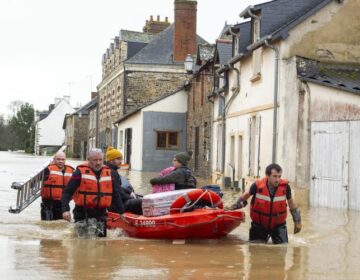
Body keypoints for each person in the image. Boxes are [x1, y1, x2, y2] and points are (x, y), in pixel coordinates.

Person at [231, 163, 302, 244]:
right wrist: (234, 207)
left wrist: (297, 221)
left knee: (282, 248)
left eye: (279, 176)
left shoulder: (285, 187)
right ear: (267, 176)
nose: (277, 179)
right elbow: (246, 195)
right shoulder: (257, 185)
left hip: (278, 226)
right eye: (274, 176)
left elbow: (291, 202)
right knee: (255, 248)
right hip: (259, 225)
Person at [61, 148, 125, 237]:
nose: (98, 163)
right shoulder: (79, 172)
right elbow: (67, 192)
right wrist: (65, 210)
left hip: (101, 213)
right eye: (95, 160)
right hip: (82, 213)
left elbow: (116, 193)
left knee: (101, 243)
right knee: (81, 243)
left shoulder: (110, 173)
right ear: (89, 160)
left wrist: (121, 212)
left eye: (100, 160)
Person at [105, 146, 143, 215]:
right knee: (142, 202)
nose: (121, 161)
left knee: (139, 199)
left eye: (121, 159)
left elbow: (118, 187)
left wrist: (130, 191)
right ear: (111, 160)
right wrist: (130, 198)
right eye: (118, 159)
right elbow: (116, 193)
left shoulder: (111, 170)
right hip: (116, 207)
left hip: (114, 204)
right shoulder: (112, 172)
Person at [40, 151, 74, 221]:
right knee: (47, 226)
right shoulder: (47, 169)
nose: (60, 161)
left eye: (63, 159)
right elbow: (35, 179)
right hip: (48, 203)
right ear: (54, 160)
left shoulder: (71, 171)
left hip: (63, 204)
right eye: (58, 159)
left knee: (62, 226)